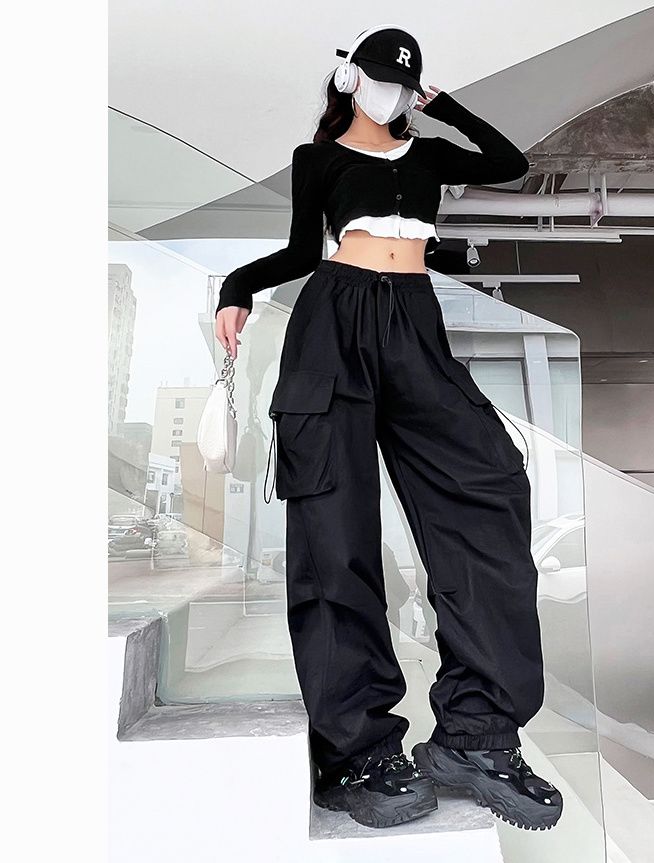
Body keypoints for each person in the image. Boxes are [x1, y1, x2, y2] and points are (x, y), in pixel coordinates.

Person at [215, 26, 562, 832]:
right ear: (348, 78)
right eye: (381, 80)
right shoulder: (318, 159)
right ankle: (357, 751)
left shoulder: (428, 152)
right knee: (334, 537)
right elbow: (299, 251)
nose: (394, 94)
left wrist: (446, 106)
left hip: (414, 324)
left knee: (487, 488)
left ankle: (476, 736)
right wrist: (236, 285)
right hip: (331, 324)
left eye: (406, 85)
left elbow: (508, 162)